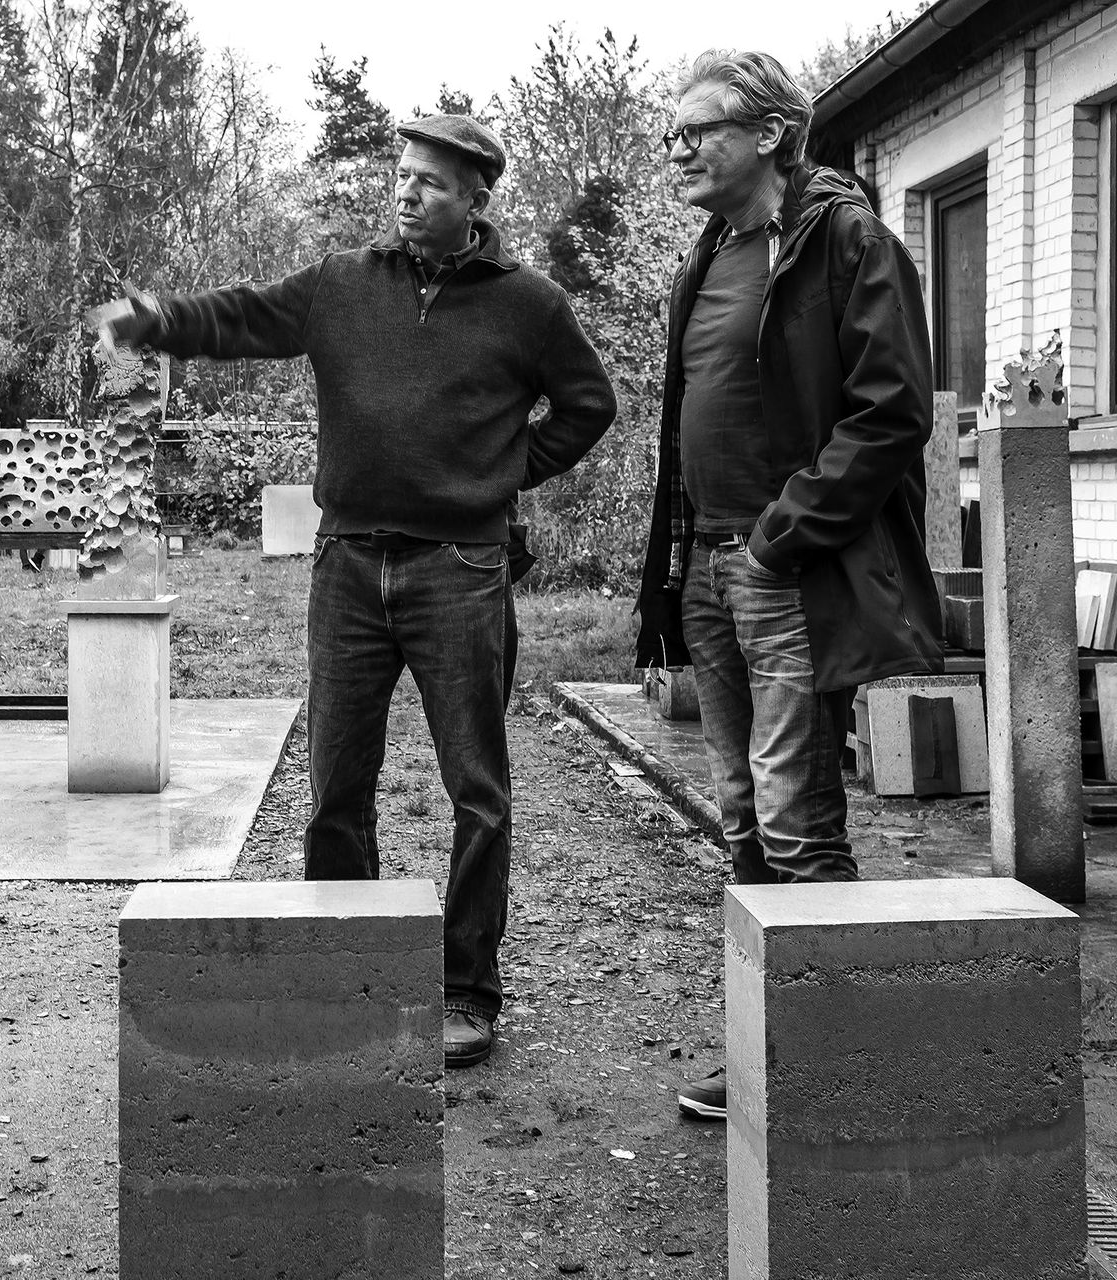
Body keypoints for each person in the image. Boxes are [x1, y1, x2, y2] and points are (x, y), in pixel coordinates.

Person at [95, 115, 617, 1068]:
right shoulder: (342, 282)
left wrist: (502, 473)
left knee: (477, 790)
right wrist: (159, 320)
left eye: (431, 183)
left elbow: (591, 404)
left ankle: (465, 991)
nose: (407, 193)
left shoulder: (530, 305)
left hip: (460, 569)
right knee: (336, 782)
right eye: (402, 176)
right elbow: (245, 316)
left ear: (476, 201)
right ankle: (352, 971)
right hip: (346, 567)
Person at [633, 51, 942, 1119]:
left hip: (786, 572)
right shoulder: (709, 254)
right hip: (708, 568)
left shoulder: (847, 240)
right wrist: (679, 567)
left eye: (697, 129)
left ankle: (832, 1065)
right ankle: (772, 1048)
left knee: (798, 818)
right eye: (671, 133)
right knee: (743, 816)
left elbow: (891, 412)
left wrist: (777, 540)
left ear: (768, 133)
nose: (677, 148)